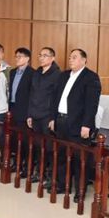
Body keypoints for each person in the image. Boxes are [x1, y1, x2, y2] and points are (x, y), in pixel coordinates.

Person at [48, 49, 101, 202]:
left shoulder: (91, 77)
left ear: (84, 60)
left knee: (80, 160)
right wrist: (52, 118)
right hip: (61, 120)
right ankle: (61, 185)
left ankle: (80, 191)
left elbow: (92, 104)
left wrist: (86, 125)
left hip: (79, 124)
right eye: (70, 57)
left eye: (75, 57)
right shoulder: (64, 75)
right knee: (61, 156)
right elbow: (55, 98)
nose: (71, 60)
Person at [26, 47, 62, 184]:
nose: (41, 58)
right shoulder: (37, 72)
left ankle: (50, 174)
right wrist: (29, 114)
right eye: (40, 55)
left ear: (52, 58)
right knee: (37, 146)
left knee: (49, 147)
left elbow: (56, 98)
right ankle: (39, 172)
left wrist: (53, 118)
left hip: (47, 115)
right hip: (35, 114)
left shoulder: (57, 74)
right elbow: (32, 94)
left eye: (45, 55)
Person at [8, 47, 33, 175]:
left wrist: (30, 114)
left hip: (24, 110)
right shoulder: (12, 72)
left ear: (27, 59)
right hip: (12, 108)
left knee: (24, 141)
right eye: (16, 56)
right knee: (13, 139)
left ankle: (26, 167)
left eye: (20, 57)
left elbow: (32, 95)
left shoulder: (32, 73)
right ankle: (16, 163)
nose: (17, 59)